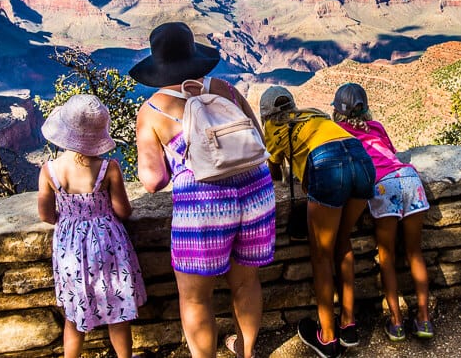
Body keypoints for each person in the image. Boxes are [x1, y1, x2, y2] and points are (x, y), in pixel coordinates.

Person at [132, 22, 275, 358]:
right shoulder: (226, 89)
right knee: (246, 282)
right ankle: (247, 350)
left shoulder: (152, 110)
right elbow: (258, 139)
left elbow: (152, 181)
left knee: (195, 297)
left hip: (204, 205)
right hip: (256, 192)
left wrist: (178, 161)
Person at [260, 86, 375, 358]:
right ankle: (348, 324)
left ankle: (327, 336)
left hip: (328, 166)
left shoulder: (273, 130)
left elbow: (275, 175)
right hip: (362, 160)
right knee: (342, 241)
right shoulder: (313, 113)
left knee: (321, 255)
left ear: (265, 114)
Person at [37, 94, 146, 358]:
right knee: (118, 312)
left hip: (70, 248)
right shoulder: (108, 168)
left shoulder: (49, 170)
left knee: (74, 317)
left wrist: (68, 221)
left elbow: (46, 215)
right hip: (109, 244)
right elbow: (123, 210)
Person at [331, 82, 432, 342]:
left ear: (337, 111)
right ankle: (424, 319)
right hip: (410, 178)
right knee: (414, 251)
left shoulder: (337, 131)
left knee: (386, 256)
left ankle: (397, 322)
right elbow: (392, 153)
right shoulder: (376, 127)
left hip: (384, 185)